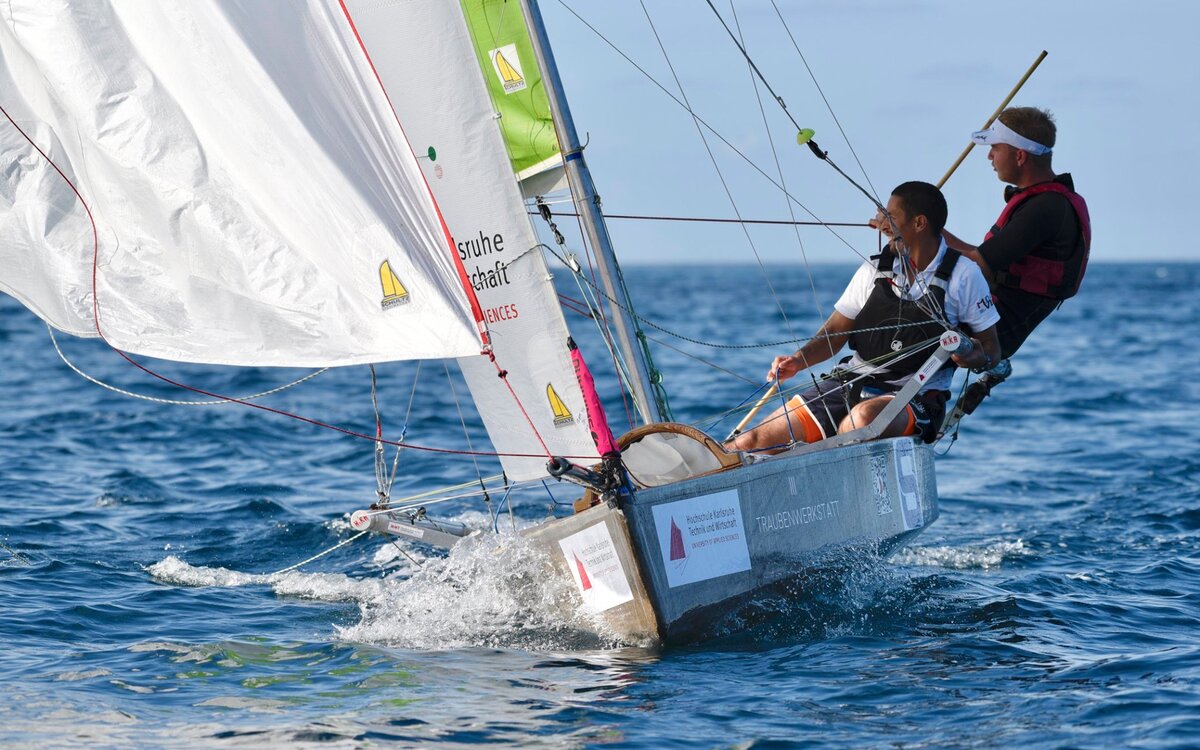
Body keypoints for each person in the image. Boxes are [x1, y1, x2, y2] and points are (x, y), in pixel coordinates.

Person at [727, 181, 1000, 454]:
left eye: (891, 217)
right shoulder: (873, 271)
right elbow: (834, 332)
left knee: (860, 422)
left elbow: (992, 351)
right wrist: (798, 360)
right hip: (852, 382)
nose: (882, 225)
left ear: (919, 223)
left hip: (916, 397)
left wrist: (971, 357)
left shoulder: (964, 276)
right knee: (747, 445)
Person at [942, 106, 1091, 359]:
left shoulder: (1046, 208)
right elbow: (981, 257)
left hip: (990, 331)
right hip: (986, 315)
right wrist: (917, 231)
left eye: (995, 148)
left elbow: (977, 264)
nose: (989, 156)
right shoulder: (1048, 201)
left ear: (1020, 156)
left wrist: (915, 231)